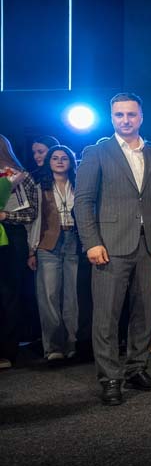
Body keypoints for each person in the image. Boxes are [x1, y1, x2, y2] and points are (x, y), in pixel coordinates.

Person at [74, 93, 151, 405]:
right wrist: (92, 242)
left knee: (144, 312)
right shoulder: (97, 151)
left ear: (141, 117)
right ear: (112, 117)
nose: (126, 120)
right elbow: (83, 202)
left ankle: (136, 369)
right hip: (110, 245)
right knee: (106, 316)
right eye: (119, 115)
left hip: (149, 244)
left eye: (131, 114)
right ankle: (110, 378)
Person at [27, 145, 80, 364]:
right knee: (49, 296)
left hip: (73, 242)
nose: (59, 161)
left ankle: (72, 343)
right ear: (49, 162)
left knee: (72, 297)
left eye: (64, 158)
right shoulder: (40, 187)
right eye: (55, 158)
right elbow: (33, 221)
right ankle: (53, 347)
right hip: (47, 244)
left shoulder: (78, 184)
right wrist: (31, 250)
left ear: (71, 162)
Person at [0, 135, 38, 370]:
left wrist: (5, 215)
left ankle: (7, 351)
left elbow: (32, 213)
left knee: (8, 294)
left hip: (13, 238)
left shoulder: (22, 176)